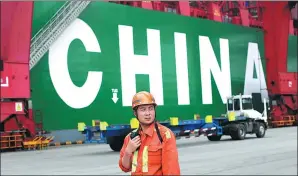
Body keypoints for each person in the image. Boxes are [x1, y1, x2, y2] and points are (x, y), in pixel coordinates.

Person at [118, 91, 181, 175]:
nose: (148, 113)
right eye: (143, 109)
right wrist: (128, 151)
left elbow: (171, 170)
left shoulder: (164, 135)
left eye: (150, 108)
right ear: (135, 113)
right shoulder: (130, 137)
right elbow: (125, 168)